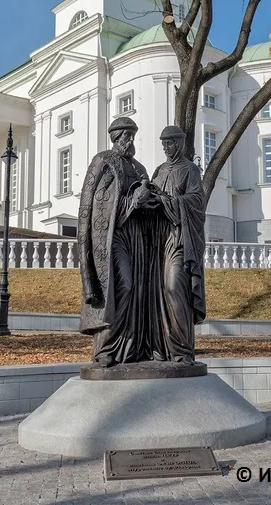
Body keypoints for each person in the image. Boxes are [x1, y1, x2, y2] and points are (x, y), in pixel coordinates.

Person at [77, 117, 160, 367]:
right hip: (112, 236)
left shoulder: (139, 168)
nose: (131, 141)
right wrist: (132, 201)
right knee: (123, 285)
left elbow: (148, 201)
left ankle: (132, 347)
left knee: (138, 290)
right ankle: (106, 347)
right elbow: (94, 203)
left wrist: (149, 202)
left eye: (133, 136)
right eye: (127, 136)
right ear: (116, 138)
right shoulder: (103, 161)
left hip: (137, 236)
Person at [150, 125, 207, 364]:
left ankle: (182, 350)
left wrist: (169, 201)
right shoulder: (159, 171)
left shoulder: (190, 170)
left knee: (175, 287)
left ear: (180, 144)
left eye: (170, 143)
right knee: (158, 292)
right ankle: (162, 348)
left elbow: (196, 201)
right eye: (163, 143)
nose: (166, 148)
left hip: (180, 236)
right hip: (159, 238)